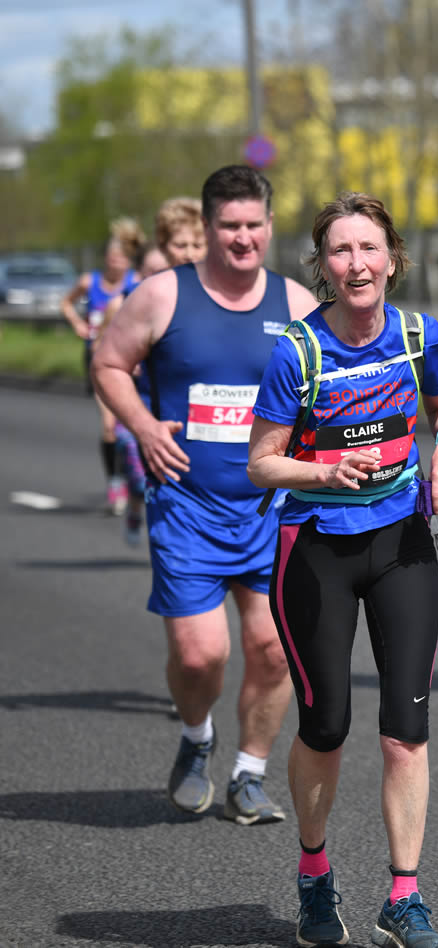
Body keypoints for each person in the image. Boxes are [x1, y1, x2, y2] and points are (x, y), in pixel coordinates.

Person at [249, 191, 438, 948]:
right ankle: (314, 872)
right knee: (328, 723)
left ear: (393, 259)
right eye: (340, 251)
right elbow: (262, 464)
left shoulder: (417, 334)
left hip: (400, 544)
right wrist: (323, 471)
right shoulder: (297, 351)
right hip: (315, 552)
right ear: (324, 267)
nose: (356, 263)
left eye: (369, 248)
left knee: (407, 729)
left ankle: (404, 897)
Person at [91, 165, 317, 824]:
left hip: (272, 508)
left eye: (254, 226)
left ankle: (250, 773)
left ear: (269, 228)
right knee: (200, 653)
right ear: (209, 228)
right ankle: (197, 741)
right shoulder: (164, 295)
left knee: (274, 649)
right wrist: (141, 425)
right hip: (187, 503)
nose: (242, 239)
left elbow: (331, 391)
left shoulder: (298, 305)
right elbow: (108, 361)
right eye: (229, 227)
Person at [103, 196, 208, 546]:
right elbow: (108, 359)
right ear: (164, 249)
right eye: (181, 245)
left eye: (198, 244)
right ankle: (139, 503)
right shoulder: (139, 300)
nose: (190, 252)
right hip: (145, 404)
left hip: (195, 416)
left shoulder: (220, 296)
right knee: (140, 467)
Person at [63, 217, 144, 514]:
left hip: (132, 361)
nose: (116, 262)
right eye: (111, 257)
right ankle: (115, 482)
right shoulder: (90, 282)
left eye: (121, 257)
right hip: (99, 359)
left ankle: (136, 478)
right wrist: (77, 324)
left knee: (131, 426)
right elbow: (66, 304)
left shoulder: (136, 283)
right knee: (109, 425)